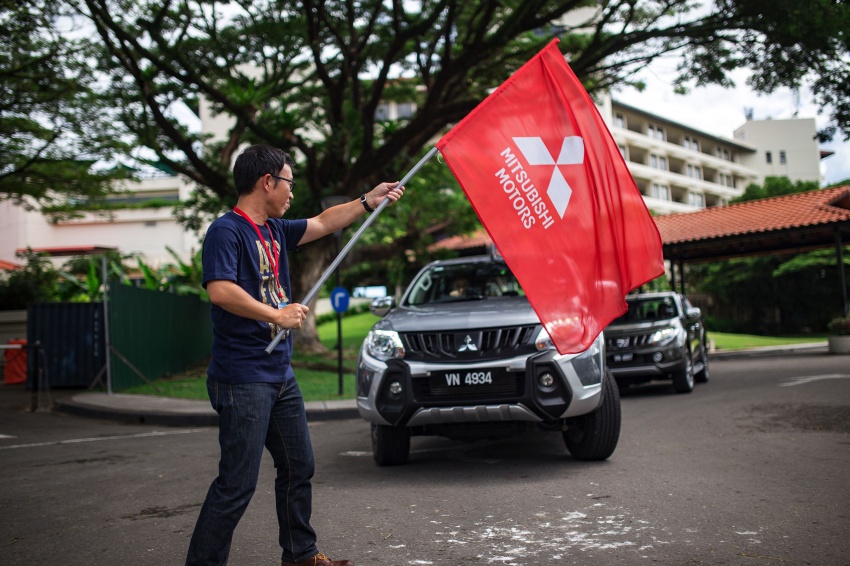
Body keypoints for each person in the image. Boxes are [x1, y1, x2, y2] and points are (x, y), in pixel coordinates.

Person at [186, 144, 404, 566]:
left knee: (298, 465)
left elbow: (324, 222)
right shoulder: (226, 231)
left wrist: (367, 201)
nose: (291, 191)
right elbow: (220, 290)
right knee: (236, 484)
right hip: (242, 377)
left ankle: (300, 555)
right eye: (288, 182)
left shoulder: (275, 230)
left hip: (278, 374)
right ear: (266, 182)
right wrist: (277, 314)